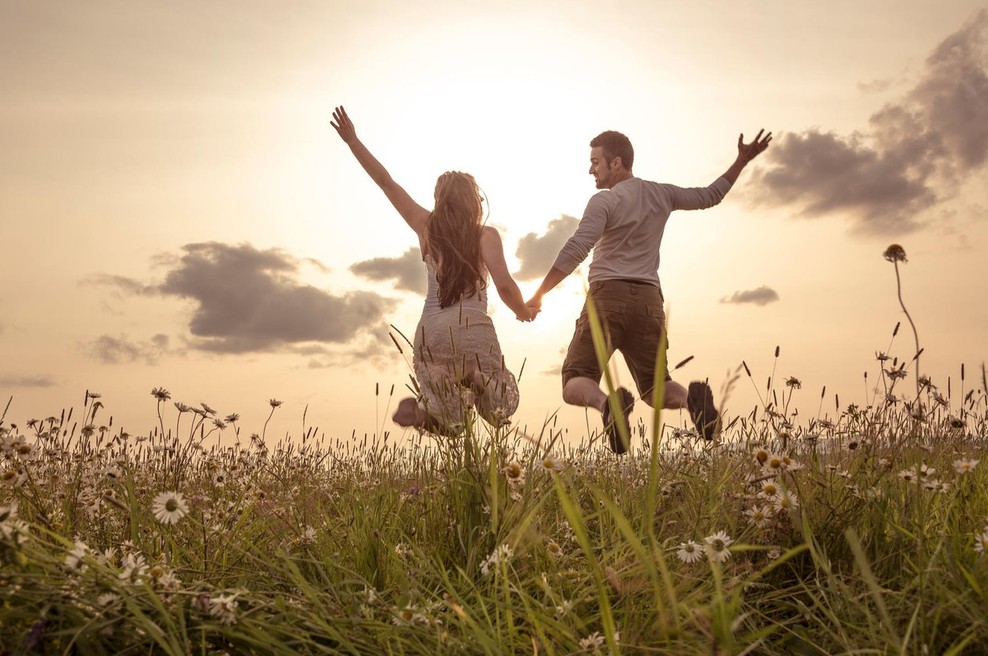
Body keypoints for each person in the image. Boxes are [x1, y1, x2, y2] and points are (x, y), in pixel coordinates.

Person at [526, 128, 772, 453]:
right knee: (657, 387)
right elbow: (710, 195)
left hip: (607, 298)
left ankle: (606, 406)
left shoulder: (605, 200)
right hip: (649, 302)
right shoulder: (662, 194)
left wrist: (539, 294)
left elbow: (578, 247)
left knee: (575, 379)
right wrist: (741, 160)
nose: (591, 169)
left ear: (616, 162)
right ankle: (689, 401)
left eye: (595, 162)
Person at [331, 106, 534, 435]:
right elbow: (505, 285)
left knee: (450, 420)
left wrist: (353, 141)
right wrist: (522, 309)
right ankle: (478, 377)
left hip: (432, 333)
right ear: (474, 201)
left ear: (439, 199)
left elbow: (386, 183)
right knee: (499, 408)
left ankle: (425, 414)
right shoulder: (485, 235)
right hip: (474, 327)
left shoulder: (425, 226)